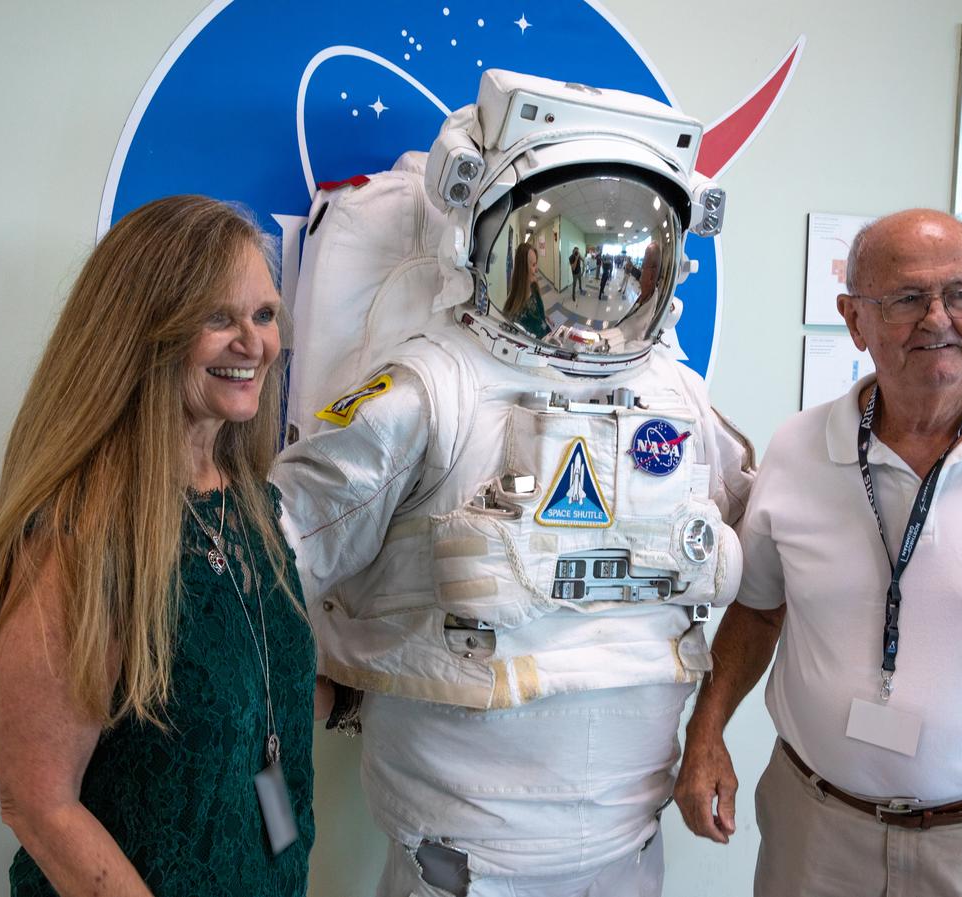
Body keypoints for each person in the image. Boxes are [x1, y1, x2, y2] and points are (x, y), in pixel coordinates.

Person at [273, 69, 752, 897]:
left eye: (632, 249)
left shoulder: (678, 399)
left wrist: (711, 728)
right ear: (483, 237)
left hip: (632, 844)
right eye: (570, 245)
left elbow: (769, 558)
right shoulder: (429, 391)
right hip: (461, 857)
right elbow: (271, 558)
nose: (603, 276)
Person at [675, 208, 962, 897]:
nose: (938, 319)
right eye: (905, 299)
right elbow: (757, 610)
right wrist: (707, 730)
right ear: (854, 318)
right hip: (814, 833)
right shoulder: (799, 449)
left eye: (961, 294)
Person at [0, 195, 318, 896]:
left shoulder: (248, 506)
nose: (253, 342)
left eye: (264, 314)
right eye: (219, 317)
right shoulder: (82, 533)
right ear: (144, 331)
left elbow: (240, 694)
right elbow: (36, 802)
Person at [505, 241, 550, 338]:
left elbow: (537, 306)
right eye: (533, 265)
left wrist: (543, 315)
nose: (537, 270)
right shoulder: (514, 316)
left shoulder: (534, 286)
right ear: (523, 270)